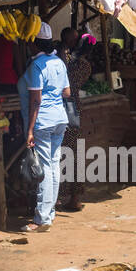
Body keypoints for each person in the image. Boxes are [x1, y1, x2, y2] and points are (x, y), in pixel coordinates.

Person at [20, 26, 71, 232]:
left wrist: (30, 130)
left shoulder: (36, 66)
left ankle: (41, 219)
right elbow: (67, 92)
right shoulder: (58, 62)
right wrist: (54, 89)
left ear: (34, 43)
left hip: (43, 121)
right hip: (60, 119)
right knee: (53, 165)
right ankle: (49, 214)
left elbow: (36, 100)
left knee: (43, 170)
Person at [58, 28, 93, 212]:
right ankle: (73, 198)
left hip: (66, 109)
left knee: (63, 152)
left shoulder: (75, 64)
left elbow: (66, 81)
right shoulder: (82, 65)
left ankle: (64, 197)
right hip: (72, 109)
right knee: (72, 152)